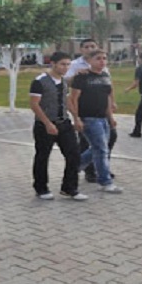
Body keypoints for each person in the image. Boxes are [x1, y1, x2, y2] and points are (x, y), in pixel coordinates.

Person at [29, 51, 88, 201]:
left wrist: (76, 118)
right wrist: (47, 123)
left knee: (73, 154)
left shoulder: (64, 81)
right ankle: (41, 188)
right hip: (45, 125)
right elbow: (34, 104)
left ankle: (69, 187)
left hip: (64, 123)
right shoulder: (40, 81)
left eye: (68, 64)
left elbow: (66, 100)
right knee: (42, 156)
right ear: (53, 64)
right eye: (62, 64)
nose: (65, 67)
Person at [68, 49, 122, 193]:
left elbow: (107, 98)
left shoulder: (105, 76)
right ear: (90, 61)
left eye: (104, 58)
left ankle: (73, 168)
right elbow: (73, 99)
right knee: (101, 149)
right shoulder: (82, 77)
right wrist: (76, 118)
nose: (102, 61)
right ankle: (105, 182)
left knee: (97, 148)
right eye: (98, 58)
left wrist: (110, 117)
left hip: (103, 118)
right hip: (89, 118)